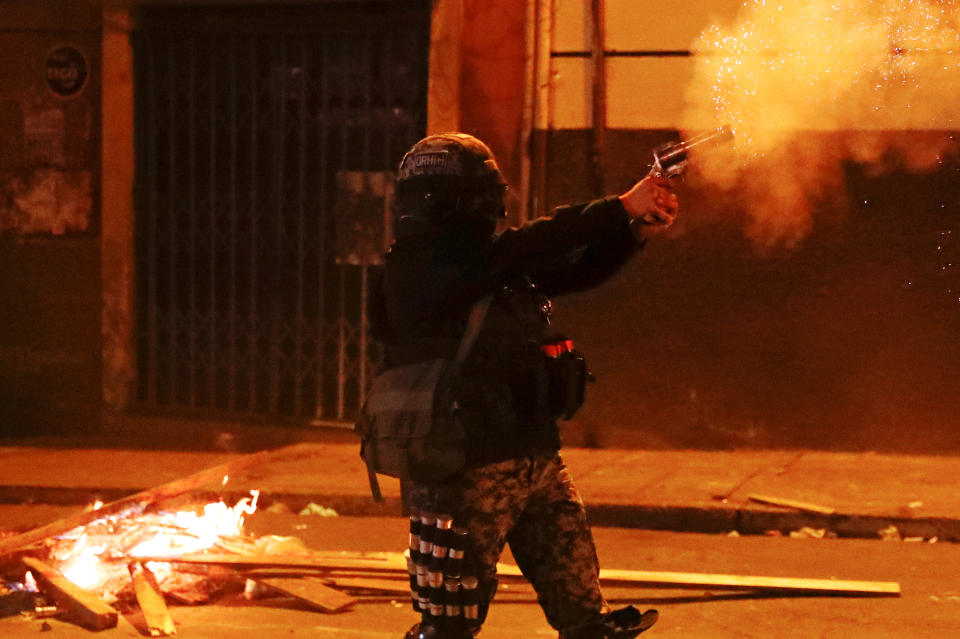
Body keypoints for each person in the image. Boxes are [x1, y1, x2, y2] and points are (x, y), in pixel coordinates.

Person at [368, 132, 678, 639]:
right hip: (463, 467)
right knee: (449, 621)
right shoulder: (420, 265)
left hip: (534, 455)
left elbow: (572, 270)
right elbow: (538, 240)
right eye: (475, 198)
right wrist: (621, 205)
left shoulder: (490, 262)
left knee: (583, 610)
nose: (488, 208)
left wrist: (633, 231)